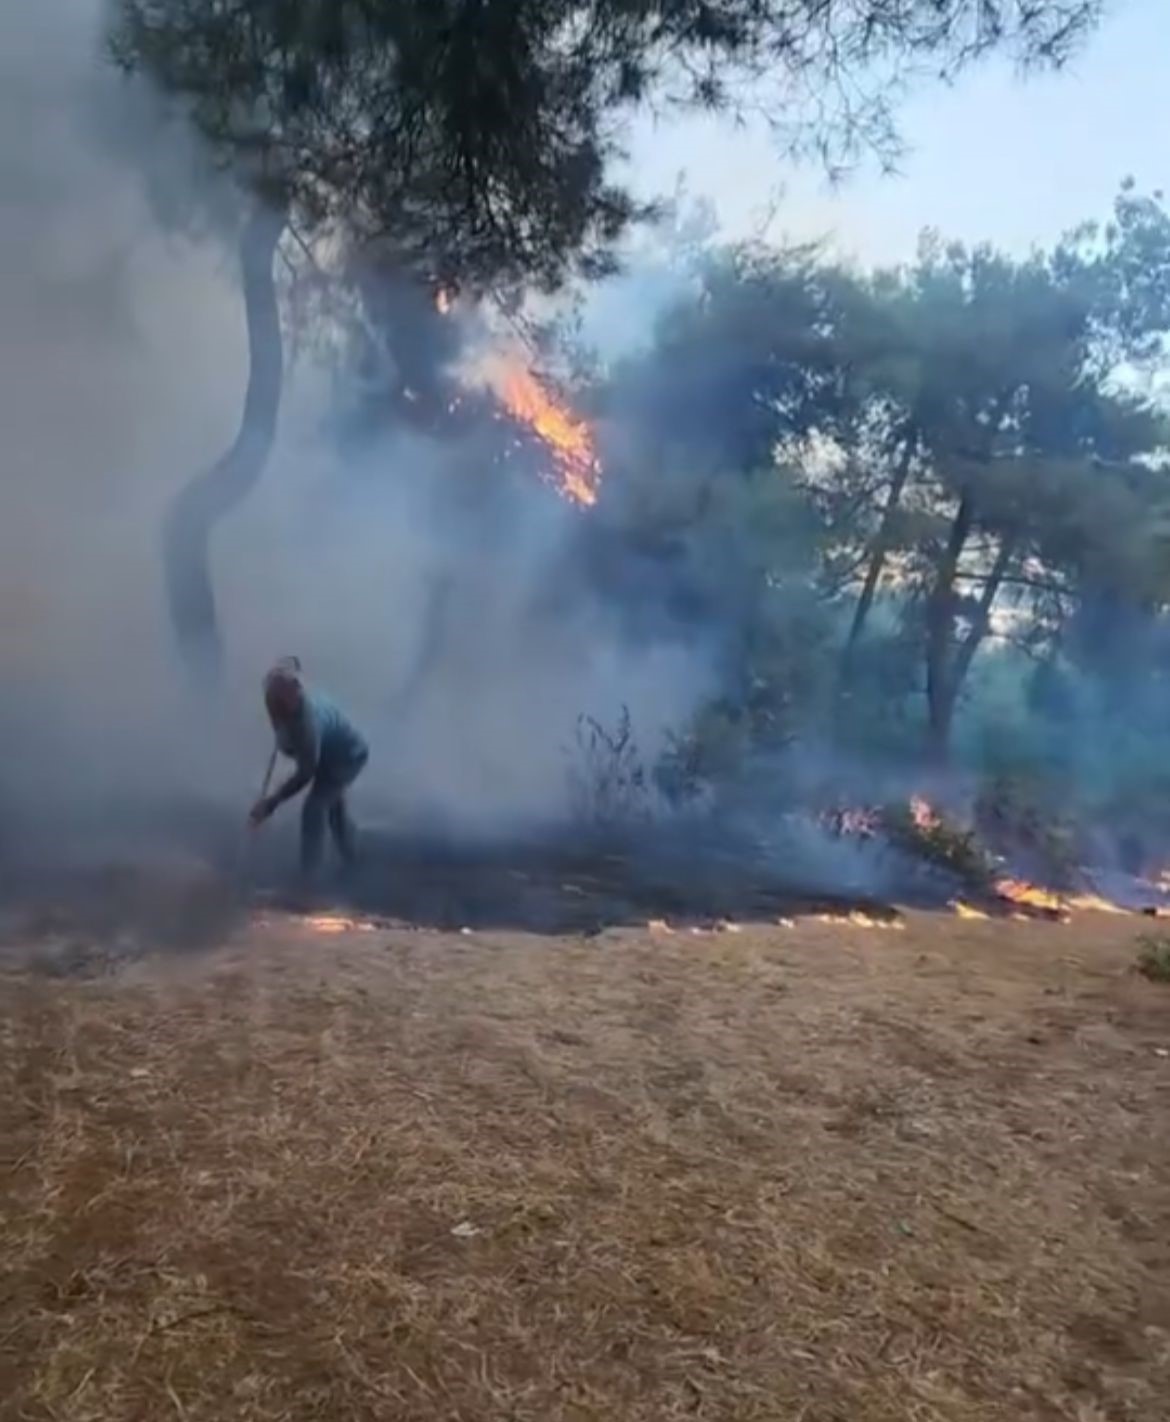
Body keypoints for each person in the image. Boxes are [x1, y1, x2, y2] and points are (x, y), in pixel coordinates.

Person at [249, 657, 369, 879]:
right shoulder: (286, 705)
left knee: (315, 808)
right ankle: (355, 858)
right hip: (329, 753)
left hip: (347, 757)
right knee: (335, 808)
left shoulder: (306, 727)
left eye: (275, 706)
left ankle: (309, 875)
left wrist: (271, 803)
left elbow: (306, 773)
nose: (271, 709)